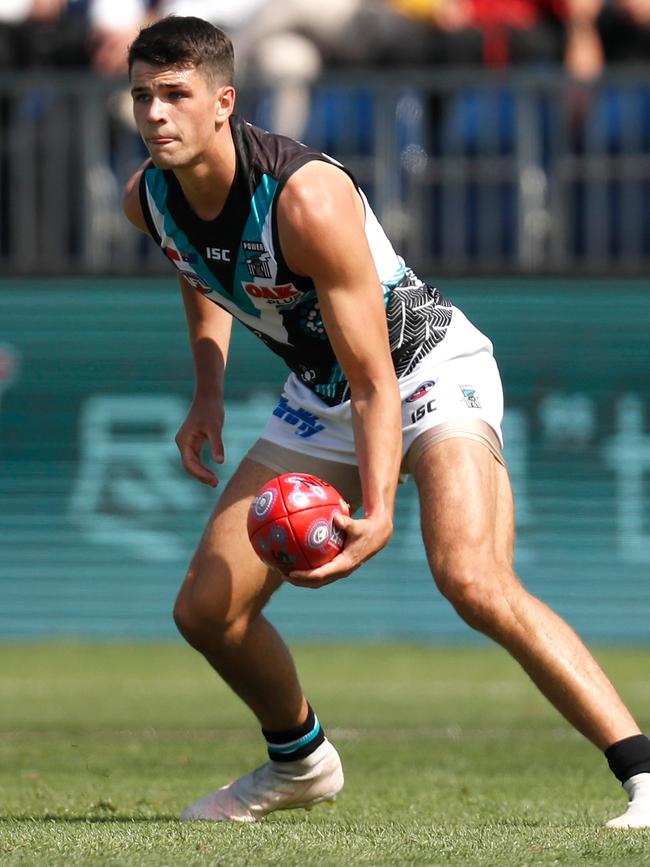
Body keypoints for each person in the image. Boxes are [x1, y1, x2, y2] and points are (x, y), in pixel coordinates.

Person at [122, 15, 650, 828]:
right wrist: (208, 388)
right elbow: (195, 263)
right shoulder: (150, 199)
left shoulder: (307, 198)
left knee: (473, 579)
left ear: (224, 102)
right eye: (142, 97)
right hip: (323, 394)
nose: (156, 114)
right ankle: (300, 761)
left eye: (176, 95)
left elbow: (376, 381)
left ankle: (643, 771)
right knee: (205, 611)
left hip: (427, 370)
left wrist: (375, 516)